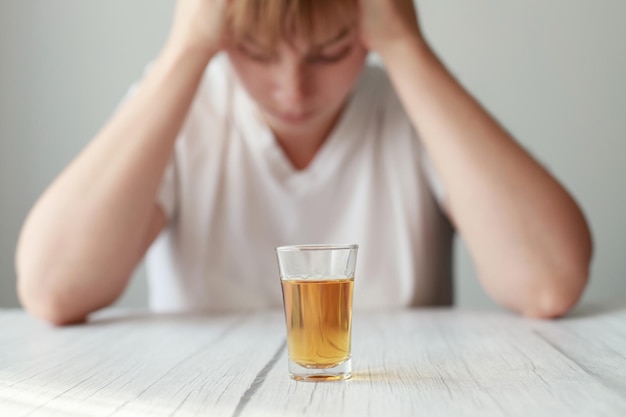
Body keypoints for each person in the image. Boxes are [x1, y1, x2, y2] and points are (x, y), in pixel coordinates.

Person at [15, 0, 592, 325]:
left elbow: (549, 283)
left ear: (369, 33)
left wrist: (408, 48)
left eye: (329, 52)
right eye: (259, 53)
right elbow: (51, 289)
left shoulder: (411, 109)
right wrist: (184, 48)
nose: (292, 90)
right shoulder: (183, 112)